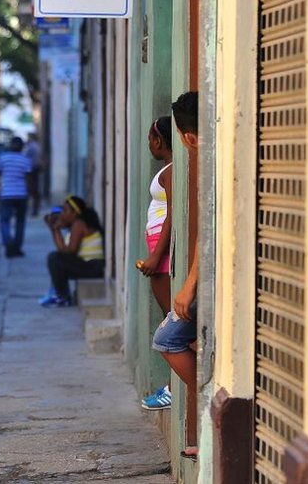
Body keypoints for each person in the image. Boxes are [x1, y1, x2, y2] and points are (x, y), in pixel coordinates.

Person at [142, 92, 200, 461]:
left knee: (170, 333)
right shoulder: (195, 161)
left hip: (171, 265)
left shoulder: (186, 166)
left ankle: (199, 393)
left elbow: (202, 228)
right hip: (174, 265)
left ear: (183, 136)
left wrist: (186, 281)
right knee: (173, 331)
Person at [137, 116, 175, 412]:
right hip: (158, 254)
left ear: (158, 140)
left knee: (170, 321)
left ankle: (174, 388)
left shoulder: (171, 172)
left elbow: (171, 215)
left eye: (150, 138)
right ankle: (173, 386)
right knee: (169, 320)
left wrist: (155, 256)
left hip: (161, 258)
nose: (149, 143)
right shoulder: (169, 170)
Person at [39, 195, 105, 307]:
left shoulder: (79, 224)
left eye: (65, 210)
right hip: (92, 266)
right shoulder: (79, 223)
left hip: (93, 267)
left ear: (74, 213)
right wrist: (55, 229)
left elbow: (69, 252)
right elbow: (62, 250)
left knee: (54, 259)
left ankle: (62, 296)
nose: (62, 214)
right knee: (55, 258)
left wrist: (56, 229)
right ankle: (61, 295)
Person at [0, 137, 32, 258]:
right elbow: (28, 179)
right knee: (20, 222)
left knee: (4, 221)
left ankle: (8, 242)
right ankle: (17, 248)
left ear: (11, 145)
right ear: (22, 147)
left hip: (7, 194)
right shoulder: (25, 160)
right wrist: (29, 194)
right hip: (21, 194)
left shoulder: (3, 158)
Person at [24, 132, 43, 216]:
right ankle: (35, 208)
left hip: (32, 169)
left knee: (31, 189)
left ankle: (34, 209)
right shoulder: (38, 146)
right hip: (35, 169)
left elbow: (26, 158)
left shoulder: (32, 147)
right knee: (35, 190)